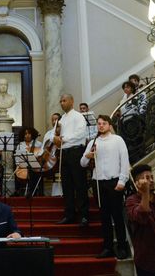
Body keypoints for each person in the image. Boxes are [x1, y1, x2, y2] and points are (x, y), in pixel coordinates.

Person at [80, 115, 130, 260]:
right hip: (98, 183)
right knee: (104, 217)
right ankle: (107, 247)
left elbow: (124, 162)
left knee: (117, 216)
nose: (100, 126)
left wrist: (122, 181)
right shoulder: (93, 142)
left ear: (109, 125)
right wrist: (88, 155)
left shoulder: (117, 140)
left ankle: (122, 246)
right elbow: (82, 163)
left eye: (104, 123)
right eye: (99, 123)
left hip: (114, 182)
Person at [54, 94, 89, 226]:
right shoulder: (61, 118)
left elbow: (81, 134)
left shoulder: (78, 116)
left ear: (71, 101)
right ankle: (69, 214)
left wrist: (64, 139)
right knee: (66, 185)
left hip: (76, 151)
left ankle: (84, 215)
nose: (62, 103)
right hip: (64, 152)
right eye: (60, 101)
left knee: (80, 183)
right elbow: (56, 135)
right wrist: (55, 137)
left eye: (64, 100)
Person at [14, 126, 42, 196]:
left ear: (32, 134)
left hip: (34, 166)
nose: (27, 135)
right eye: (25, 134)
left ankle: (33, 191)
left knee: (33, 171)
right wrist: (18, 165)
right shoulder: (20, 145)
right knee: (16, 172)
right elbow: (17, 159)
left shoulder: (38, 144)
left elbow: (41, 157)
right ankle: (17, 191)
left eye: (29, 133)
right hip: (23, 166)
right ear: (23, 135)